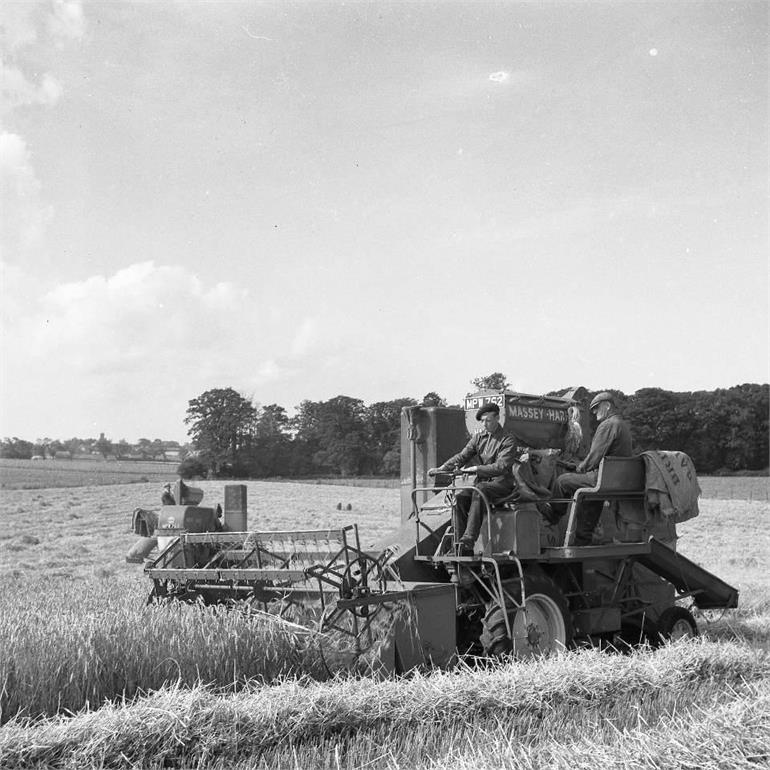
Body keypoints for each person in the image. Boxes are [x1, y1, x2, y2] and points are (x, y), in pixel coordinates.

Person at [428, 403, 525, 556]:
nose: (484, 424)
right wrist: (442, 468)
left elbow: (501, 467)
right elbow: (462, 456)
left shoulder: (508, 440)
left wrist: (476, 469)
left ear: (497, 418)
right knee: (460, 498)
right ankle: (459, 545)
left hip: (503, 484)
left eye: (488, 420)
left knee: (479, 490)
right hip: (484, 484)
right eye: (482, 421)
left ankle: (468, 540)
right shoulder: (479, 438)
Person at [552, 391, 633, 545]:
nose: (594, 412)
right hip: (614, 480)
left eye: (596, 407)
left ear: (607, 406)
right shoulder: (622, 424)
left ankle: (553, 516)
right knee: (590, 495)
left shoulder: (608, 425)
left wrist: (579, 468)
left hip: (602, 479)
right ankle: (582, 539)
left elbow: (594, 457)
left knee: (562, 481)